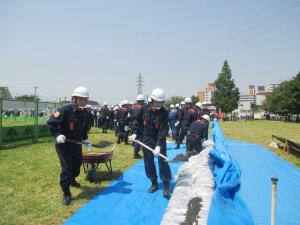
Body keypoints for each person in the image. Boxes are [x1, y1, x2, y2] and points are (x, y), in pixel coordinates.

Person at [47, 86, 92, 205]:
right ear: (75, 98)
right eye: (81, 99)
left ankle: (72, 179)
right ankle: (66, 192)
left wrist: (86, 139)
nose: (83, 102)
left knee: (77, 165)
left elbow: (83, 128)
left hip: (76, 144)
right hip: (64, 145)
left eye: (85, 99)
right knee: (66, 168)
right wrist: (57, 135)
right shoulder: (65, 109)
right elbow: (51, 123)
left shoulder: (84, 112)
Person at [129, 88, 172, 198]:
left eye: (161, 102)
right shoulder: (144, 109)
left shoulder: (164, 113)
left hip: (159, 138)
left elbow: (163, 130)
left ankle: (166, 184)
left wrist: (158, 145)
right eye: (157, 102)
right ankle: (154, 182)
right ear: (152, 100)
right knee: (148, 162)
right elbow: (137, 122)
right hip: (146, 138)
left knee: (163, 161)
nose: (159, 104)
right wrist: (135, 133)